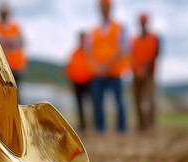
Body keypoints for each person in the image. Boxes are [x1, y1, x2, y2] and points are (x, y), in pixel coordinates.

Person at [86, 0, 129, 133]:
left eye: (106, 7)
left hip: (114, 71)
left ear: (110, 8)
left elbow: (123, 48)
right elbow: (88, 50)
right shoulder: (93, 30)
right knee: (97, 101)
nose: (104, 9)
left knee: (119, 100)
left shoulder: (119, 27)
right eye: (101, 7)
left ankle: (121, 129)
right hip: (97, 72)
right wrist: (97, 66)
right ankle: (100, 128)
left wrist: (106, 65)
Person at [131, 13, 160, 133]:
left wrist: (144, 70)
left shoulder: (153, 37)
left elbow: (154, 54)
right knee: (137, 100)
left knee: (147, 100)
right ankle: (141, 126)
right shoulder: (135, 39)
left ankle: (149, 125)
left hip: (148, 74)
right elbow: (131, 56)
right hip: (136, 75)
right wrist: (136, 71)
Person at [0, 2, 26, 88]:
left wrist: (4, 40)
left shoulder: (15, 26)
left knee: (16, 93)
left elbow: (21, 42)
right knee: (0, 93)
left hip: (16, 66)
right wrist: (12, 40)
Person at [65, 32, 93, 130]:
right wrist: (70, 80)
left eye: (84, 39)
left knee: (91, 104)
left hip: (88, 81)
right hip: (76, 82)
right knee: (79, 105)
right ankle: (82, 125)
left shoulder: (90, 52)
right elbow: (69, 67)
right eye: (81, 39)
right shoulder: (74, 53)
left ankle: (92, 124)